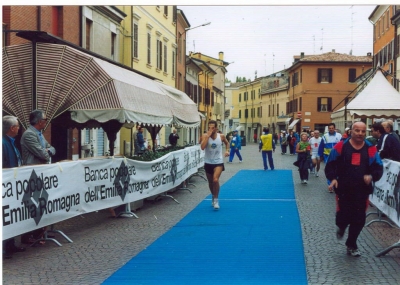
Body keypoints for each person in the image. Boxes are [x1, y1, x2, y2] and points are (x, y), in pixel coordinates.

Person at [325, 122, 383, 257]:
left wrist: (371, 176)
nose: (360, 134)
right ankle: (341, 227)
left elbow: (378, 166)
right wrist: (333, 178)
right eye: (357, 131)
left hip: (361, 190)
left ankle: (351, 244)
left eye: (363, 131)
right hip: (344, 188)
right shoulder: (341, 146)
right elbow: (330, 164)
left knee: (359, 219)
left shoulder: (371, 149)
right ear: (351, 131)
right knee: (343, 217)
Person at [20, 110, 56, 244]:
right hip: (31, 173)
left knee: (41, 202)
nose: (46, 122)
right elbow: (44, 154)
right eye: (45, 119)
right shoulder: (29, 134)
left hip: (40, 172)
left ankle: (39, 233)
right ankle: (29, 235)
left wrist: (47, 151)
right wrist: (47, 152)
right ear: (40, 121)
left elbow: (51, 149)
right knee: (32, 203)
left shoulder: (39, 134)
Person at [2, 116, 26, 259]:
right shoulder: (3, 143)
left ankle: (10, 244)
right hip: (7, 186)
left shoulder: (11, 142)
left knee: (10, 215)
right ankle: (5, 247)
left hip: (12, 185)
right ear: (12, 128)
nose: (19, 128)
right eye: (17, 126)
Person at [200, 120, 229, 210]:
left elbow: (227, 143)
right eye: (209, 127)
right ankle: (213, 195)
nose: (210, 129)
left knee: (215, 180)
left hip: (218, 162)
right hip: (208, 162)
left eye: (212, 127)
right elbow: (202, 147)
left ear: (216, 128)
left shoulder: (221, 136)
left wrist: (227, 150)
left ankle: (216, 200)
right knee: (210, 182)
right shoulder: (205, 136)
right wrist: (207, 137)